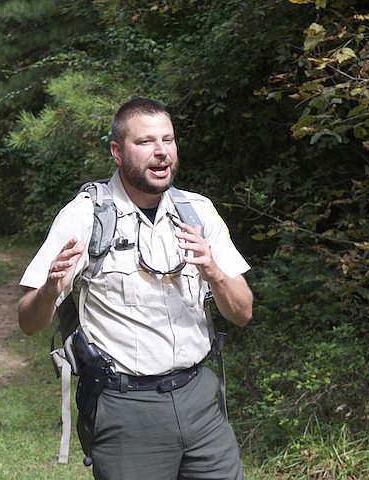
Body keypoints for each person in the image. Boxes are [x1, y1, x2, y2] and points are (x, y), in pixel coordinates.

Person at [18, 97, 253, 480]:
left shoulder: (198, 212)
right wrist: (48, 289)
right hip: (126, 409)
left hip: (201, 402)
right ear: (117, 151)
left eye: (168, 140)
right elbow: (28, 321)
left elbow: (243, 312)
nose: (161, 152)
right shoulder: (83, 216)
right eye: (145, 142)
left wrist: (214, 271)